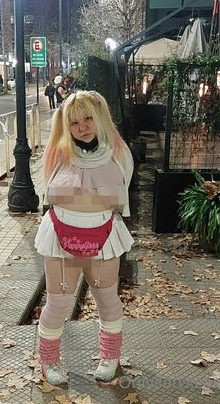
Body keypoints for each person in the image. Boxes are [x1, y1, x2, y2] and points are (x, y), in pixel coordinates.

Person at [34, 90, 134, 385]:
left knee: (107, 297)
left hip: (105, 233)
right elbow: (49, 193)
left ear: (99, 117)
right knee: (58, 302)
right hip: (61, 234)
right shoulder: (59, 153)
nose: (83, 127)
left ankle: (110, 356)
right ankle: (48, 361)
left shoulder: (118, 153)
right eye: (75, 122)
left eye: (89, 118)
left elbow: (120, 197)